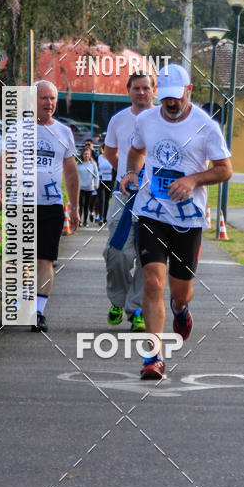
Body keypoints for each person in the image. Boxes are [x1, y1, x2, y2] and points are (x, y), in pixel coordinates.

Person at [121, 63, 232, 380]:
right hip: (151, 212)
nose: (170, 103)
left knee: (179, 290)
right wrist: (131, 172)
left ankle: (180, 310)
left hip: (188, 217)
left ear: (189, 91)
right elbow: (136, 151)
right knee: (153, 281)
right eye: (165, 97)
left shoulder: (206, 126)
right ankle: (152, 357)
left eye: (176, 97)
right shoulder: (146, 120)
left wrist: (194, 180)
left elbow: (225, 169)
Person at [0, 80, 80, 332]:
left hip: (51, 205)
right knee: (17, 260)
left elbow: (71, 172)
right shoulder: (18, 129)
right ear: (33, 101)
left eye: (53, 99)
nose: (49, 103)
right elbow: (3, 161)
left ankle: (38, 313)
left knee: (44, 260)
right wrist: (0, 189)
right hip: (21, 203)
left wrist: (73, 207)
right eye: (44, 98)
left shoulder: (64, 132)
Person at [102, 70, 155, 331]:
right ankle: (117, 300)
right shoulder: (118, 120)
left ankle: (137, 310)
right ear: (128, 90)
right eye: (137, 88)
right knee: (117, 253)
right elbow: (110, 152)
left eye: (146, 88)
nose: (142, 92)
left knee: (149, 257)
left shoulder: (163, 119)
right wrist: (125, 173)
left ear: (153, 90)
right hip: (123, 195)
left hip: (155, 199)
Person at [78, 146, 99, 227]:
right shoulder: (79, 163)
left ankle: (85, 221)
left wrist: (96, 184)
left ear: (90, 155)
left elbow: (96, 175)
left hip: (90, 188)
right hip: (81, 187)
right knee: (81, 204)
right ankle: (79, 220)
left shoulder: (93, 164)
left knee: (87, 205)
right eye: (85, 154)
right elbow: (74, 175)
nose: (86, 155)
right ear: (82, 155)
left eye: (88, 154)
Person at [97, 144, 114, 222]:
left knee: (107, 200)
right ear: (103, 149)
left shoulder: (112, 157)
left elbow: (115, 169)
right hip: (101, 181)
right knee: (101, 199)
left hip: (110, 181)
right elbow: (96, 168)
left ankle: (104, 217)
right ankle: (100, 216)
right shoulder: (99, 157)